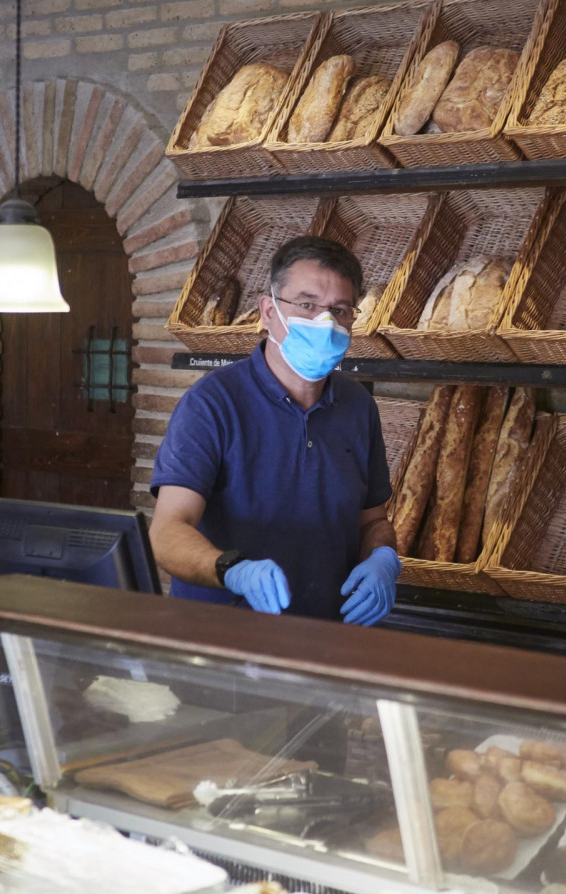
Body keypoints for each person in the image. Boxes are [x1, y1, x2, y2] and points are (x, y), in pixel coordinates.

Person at [148, 236, 401, 625]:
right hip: (219, 635)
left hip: (327, 635)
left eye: (339, 310)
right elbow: (167, 531)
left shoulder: (358, 407)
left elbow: (372, 521)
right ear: (268, 311)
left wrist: (383, 556)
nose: (324, 322)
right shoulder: (213, 403)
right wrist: (231, 570)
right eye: (306, 305)